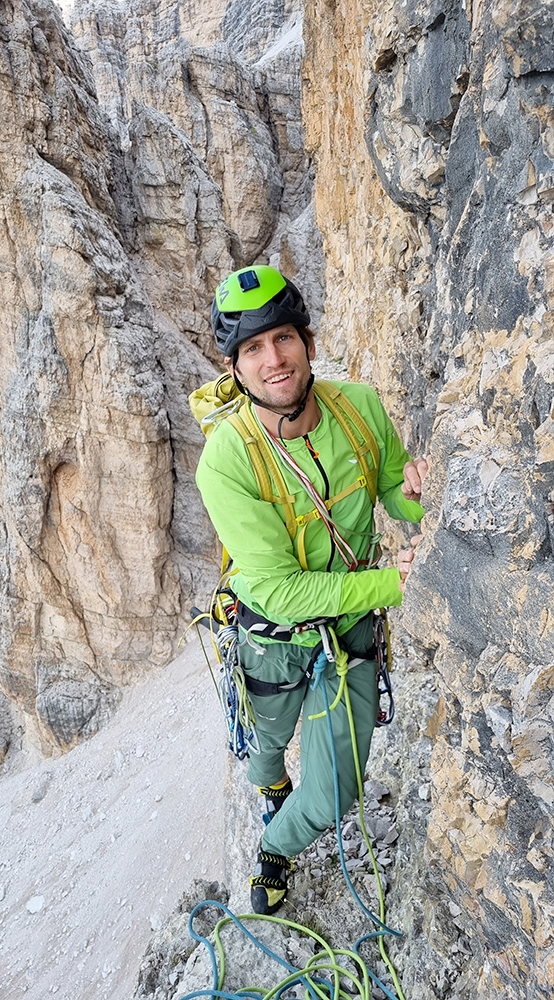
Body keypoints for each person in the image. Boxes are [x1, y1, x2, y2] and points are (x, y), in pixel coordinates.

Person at [194, 264, 429, 916]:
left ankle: (275, 844)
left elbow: (390, 493)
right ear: (235, 369)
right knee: (266, 747)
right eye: (251, 349)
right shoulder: (227, 461)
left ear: (308, 341)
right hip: (273, 637)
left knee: (331, 794)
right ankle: (270, 786)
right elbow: (278, 590)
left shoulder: (358, 410)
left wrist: (416, 494)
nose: (272, 359)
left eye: (282, 338)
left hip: (348, 626)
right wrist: (394, 584)